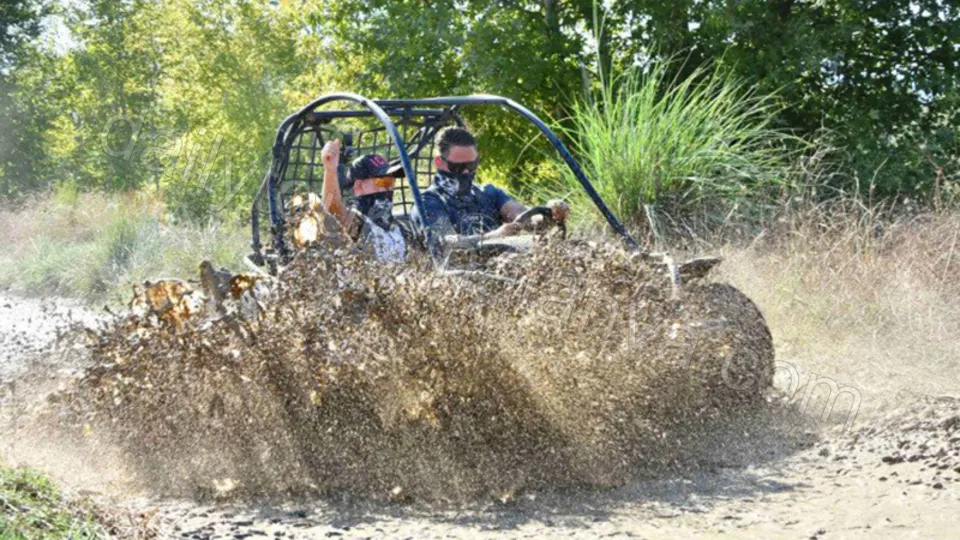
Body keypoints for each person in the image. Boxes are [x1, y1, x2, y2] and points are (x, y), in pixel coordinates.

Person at [414, 127, 569, 249]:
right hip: (461, 279)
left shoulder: (488, 193)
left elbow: (523, 216)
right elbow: (446, 244)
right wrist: (494, 236)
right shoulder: (429, 203)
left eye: (472, 165)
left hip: (504, 268)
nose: (467, 172)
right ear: (439, 162)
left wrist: (551, 213)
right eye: (458, 166)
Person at [320, 138, 408, 263]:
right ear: (359, 186)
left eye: (391, 181)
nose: (389, 187)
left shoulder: (397, 227)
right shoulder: (357, 222)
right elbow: (333, 209)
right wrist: (330, 171)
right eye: (383, 181)